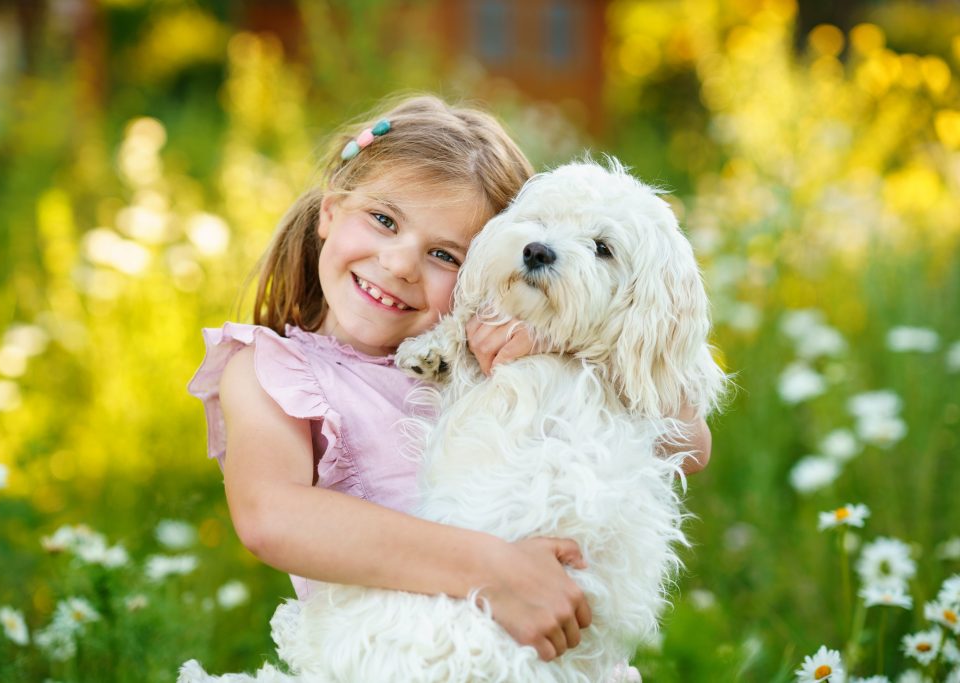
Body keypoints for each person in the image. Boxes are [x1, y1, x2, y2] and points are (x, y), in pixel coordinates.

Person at [188, 94, 711, 666]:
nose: (400, 265)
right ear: (331, 211)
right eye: (383, 221)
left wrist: (559, 337)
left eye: (444, 254)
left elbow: (691, 443)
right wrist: (493, 570)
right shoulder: (274, 371)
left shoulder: (481, 357)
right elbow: (272, 517)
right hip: (401, 657)